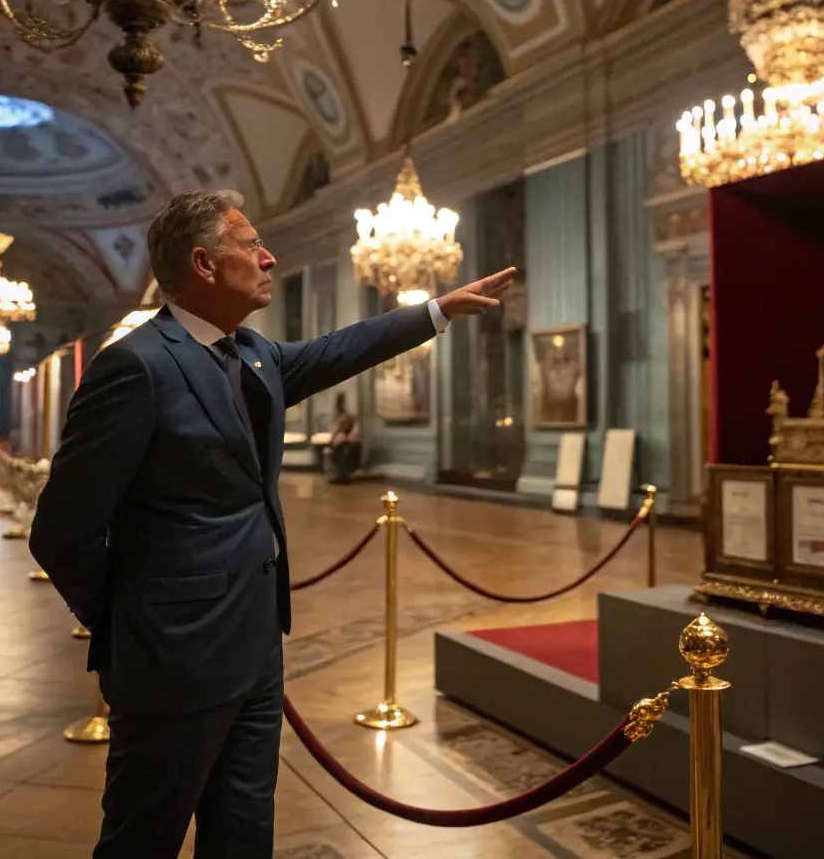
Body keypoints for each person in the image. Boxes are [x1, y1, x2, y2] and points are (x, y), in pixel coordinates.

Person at [30, 191, 514, 859]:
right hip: (170, 660)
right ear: (203, 263)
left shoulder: (254, 354)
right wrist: (131, 625)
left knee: (243, 833)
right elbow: (62, 530)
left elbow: (341, 348)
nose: (268, 258)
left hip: (257, 647)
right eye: (250, 244)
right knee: (143, 838)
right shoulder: (135, 365)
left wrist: (437, 310)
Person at [323, 392, 360, 485]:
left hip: (347, 441)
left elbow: (355, 430)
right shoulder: (338, 417)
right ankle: (337, 474)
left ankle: (343, 474)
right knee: (330, 452)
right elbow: (332, 430)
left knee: (345, 451)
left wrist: (347, 437)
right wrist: (335, 436)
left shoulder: (350, 417)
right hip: (338, 441)